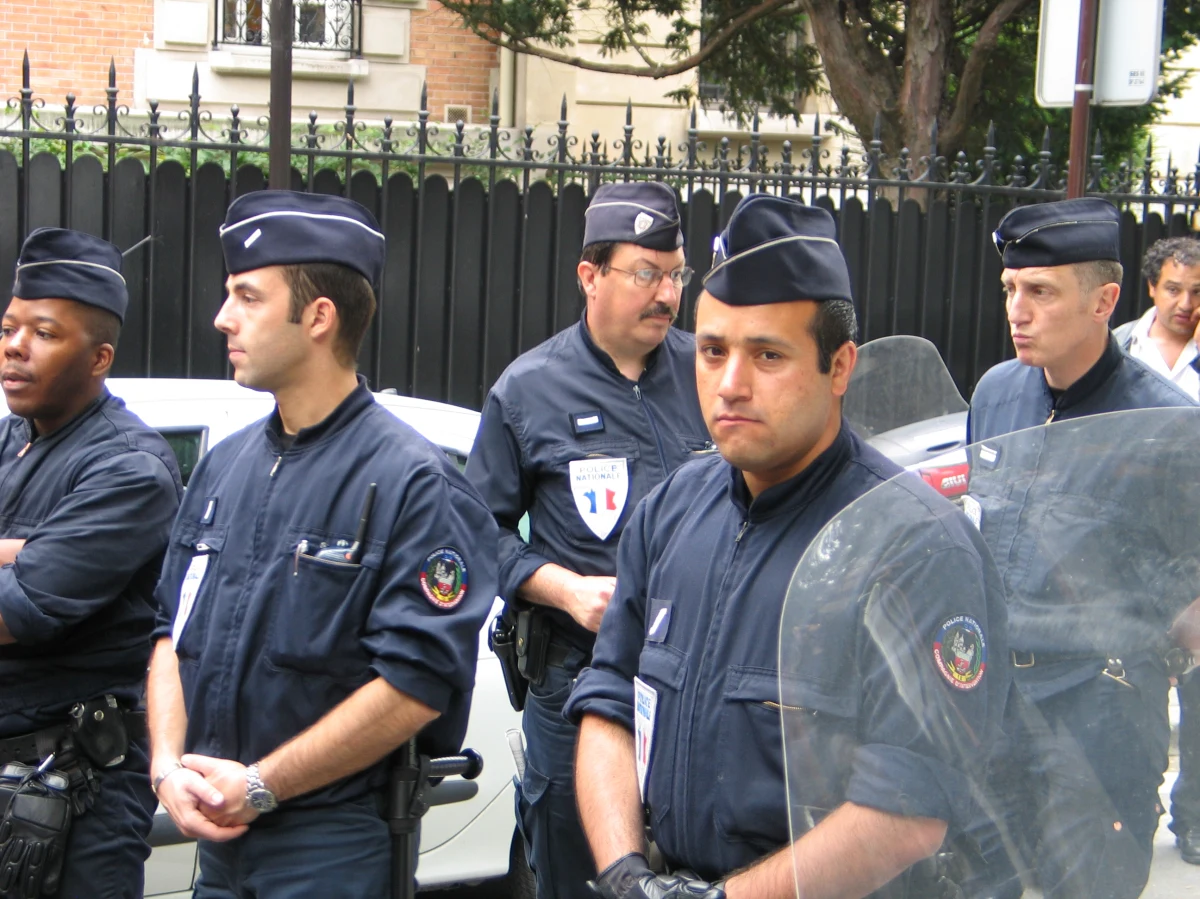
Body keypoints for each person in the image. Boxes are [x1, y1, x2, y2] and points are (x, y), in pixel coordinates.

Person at [566, 195, 1009, 899]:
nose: (730, 384)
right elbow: (609, 701)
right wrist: (626, 874)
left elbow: (909, 807)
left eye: (767, 354)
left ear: (840, 367)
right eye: (712, 351)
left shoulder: (915, 545)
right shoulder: (671, 511)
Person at [146, 191, 498, 897]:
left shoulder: (413, 481)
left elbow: (415, 684)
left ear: (318, 316)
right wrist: (165, 767)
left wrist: (263, 784)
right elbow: (167, 631)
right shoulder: (225, 465)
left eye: (247, 296)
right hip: (219, 840)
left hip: (327, 844)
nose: (223, 317)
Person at [465, 181, 709, 898]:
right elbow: (478, 532)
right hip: (578, 684)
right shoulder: (528, 390)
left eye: (676, 275)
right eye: (645, 273)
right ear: (589, 276)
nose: (666, 294)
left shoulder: (710, 374)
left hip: (695, 682)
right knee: (581, 878)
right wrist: (563, 588)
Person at [966, 198, 1198, 899]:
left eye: (1040, 291)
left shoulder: (1168, 426)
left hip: (1095, 720)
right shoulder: (997, 393)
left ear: (1104, 299)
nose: (1018, 309)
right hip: (994, 704)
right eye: (1011, 289)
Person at [0, 227, 183, 898]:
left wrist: (31, 560)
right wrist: (29, 550)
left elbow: (18, 610)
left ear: (99, 356)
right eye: (9, 326)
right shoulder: (12, 438)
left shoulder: (128, 468)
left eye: (45, 333)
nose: (15, 346)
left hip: (74, 793)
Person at [1113, 236, 1200, 866]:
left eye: (1198, 292)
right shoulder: (1117, 349)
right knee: (1126, 677)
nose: (1186, 303)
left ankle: (1194, 819)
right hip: (1125, 545)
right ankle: (1132, 805)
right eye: (1174, 288)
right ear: (1152, 286)